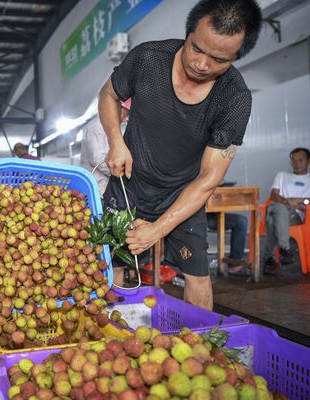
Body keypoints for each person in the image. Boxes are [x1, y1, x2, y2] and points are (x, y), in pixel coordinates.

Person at [99, 0, 262, 310]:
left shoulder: (234, 98)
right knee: (112, 266)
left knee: (197, 275)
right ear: (188, 33)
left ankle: (203, 345)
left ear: (236, 57)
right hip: (128, 185)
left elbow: (209, 178)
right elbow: (108, 94)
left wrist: (156, 230)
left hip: (182, 195)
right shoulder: (148, 58)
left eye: (218, 59)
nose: (201, 64)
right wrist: (115, 141)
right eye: (196, 49)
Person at [263, 147, 310, 275]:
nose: (296, 164)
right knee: (278, 209)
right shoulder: (282, 176)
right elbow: (273, 196)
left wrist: (298, 200)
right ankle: (284, 249)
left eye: (300, 160)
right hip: (279, 208)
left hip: (295, 215)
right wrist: (287, 202)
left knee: (271, 220)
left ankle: (269, 258)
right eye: (293, 161)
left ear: (309, 161)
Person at [81, 99, 131, 195]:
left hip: (108, 189)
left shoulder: (121, 128)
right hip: (95, 188)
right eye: (126, 113)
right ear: (114, 108)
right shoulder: (94, 127)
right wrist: (125, 172)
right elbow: (96, 159)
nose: (127, 118)